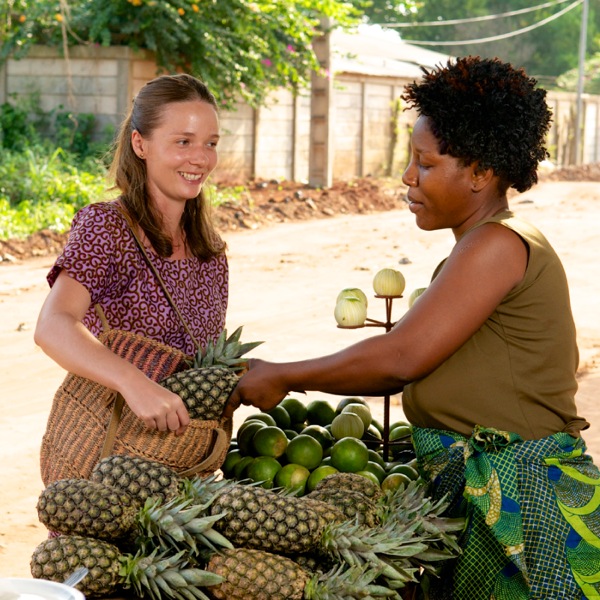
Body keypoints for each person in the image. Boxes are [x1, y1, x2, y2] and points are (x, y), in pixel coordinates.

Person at [224, 57, 600, 599]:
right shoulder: (481, 244)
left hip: (527, 499)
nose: (407, 178)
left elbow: (401, 358)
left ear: (478, 172)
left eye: (424, 163)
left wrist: (285, 375)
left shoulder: (497, 244)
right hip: (493, 491)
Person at [35, 73, 228, 437]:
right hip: (110, 454)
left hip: (184, 461)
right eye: (183, 141)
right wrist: (133, 382)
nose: (201, 158)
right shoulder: (107, 227)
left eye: (211, 143)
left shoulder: (210, 250)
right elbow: (52, 325)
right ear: (140, 144)